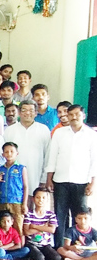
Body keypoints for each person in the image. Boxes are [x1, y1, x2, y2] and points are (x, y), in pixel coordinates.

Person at [45, 104, 97, 249]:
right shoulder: (59, 133)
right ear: (67, 116)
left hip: (82, 181)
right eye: (71, 114)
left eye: (77, 114)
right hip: (60, 180)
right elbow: (52, 157)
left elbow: (94, 160)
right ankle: (60, 247)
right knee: (60, 215)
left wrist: (93, 182)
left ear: (83, 116)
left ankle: (77, 247)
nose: (74, 117)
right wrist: (49, 178)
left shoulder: (91, 135)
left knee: (79, 215)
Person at [23, 187, 62, 260]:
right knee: (40, 258)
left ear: (47, 200)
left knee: (57, 258)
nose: (40, 200)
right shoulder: (29, 214)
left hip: (45, 244)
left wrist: (34, 226)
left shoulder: (51, 214)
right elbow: (27, 232)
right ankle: (29, 258)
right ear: (33, 199)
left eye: (43, 198)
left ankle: (39, 255)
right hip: (31, 244)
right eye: (38, 197)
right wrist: (45, 227)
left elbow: (52, 230)